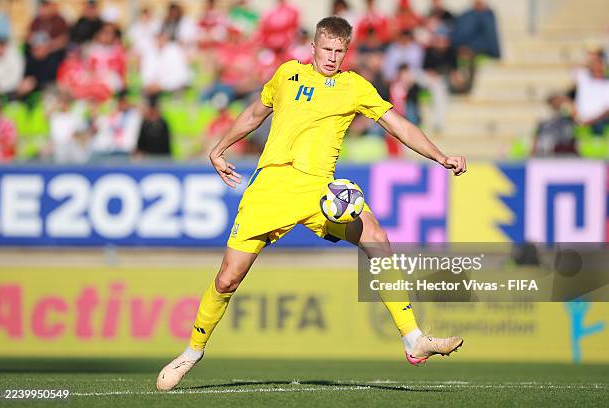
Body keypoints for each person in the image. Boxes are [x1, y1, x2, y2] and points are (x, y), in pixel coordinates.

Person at [157, 16, 466, 391]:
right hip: (271, 188)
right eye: (327, 49)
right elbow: (255, 113)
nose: (332, 57)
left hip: (321, 192)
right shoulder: (287, 74)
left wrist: (440, 156)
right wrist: (220, 148)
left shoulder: (355, 87)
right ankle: (193, 351)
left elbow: (398, 125)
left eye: (340, 51)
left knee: (376, 237)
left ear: (347, 51)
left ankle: (412, 338)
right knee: (228, 278)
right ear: (314, 47)